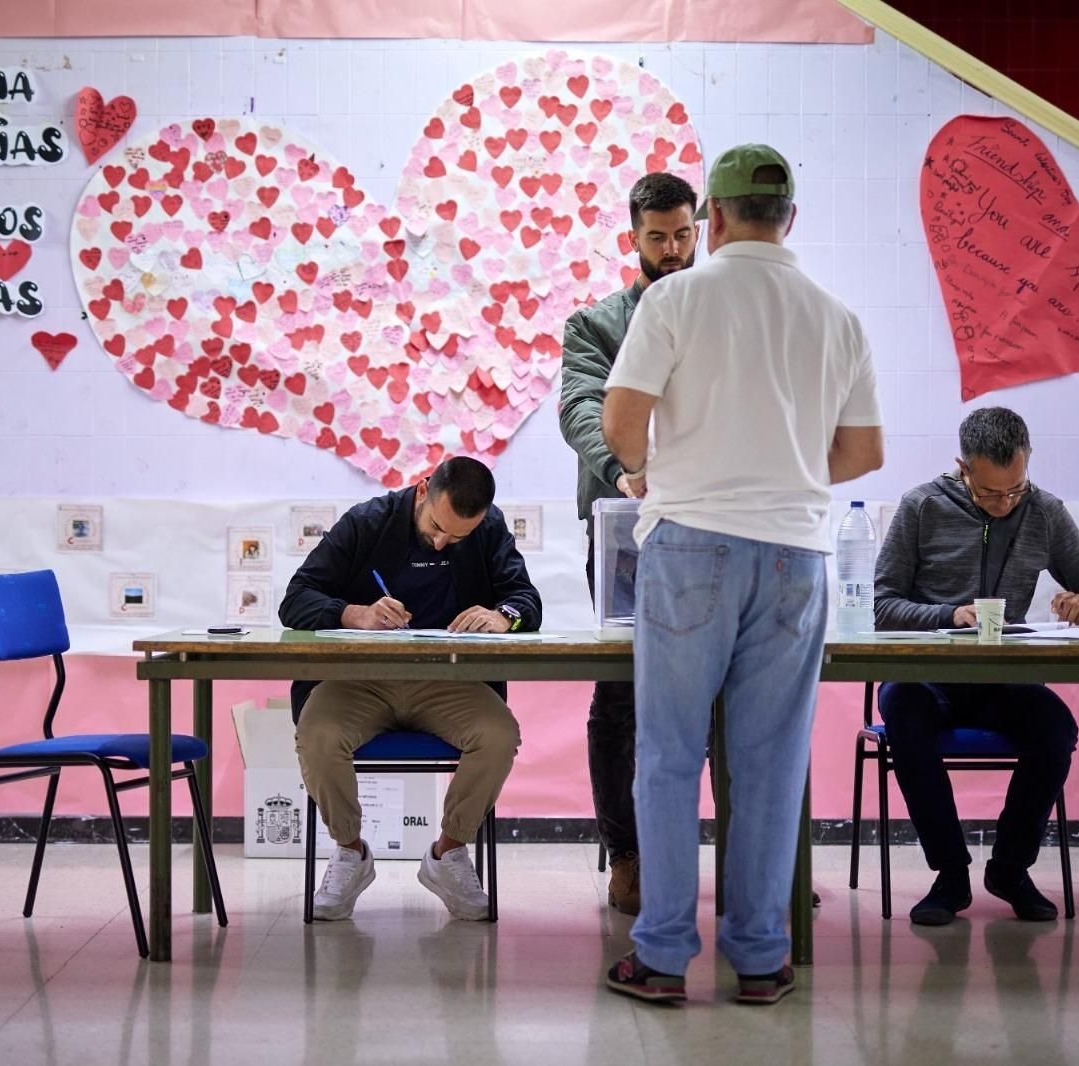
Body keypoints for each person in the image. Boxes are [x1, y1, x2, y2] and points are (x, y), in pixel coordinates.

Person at [600, 144, 884, 1005]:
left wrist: (665, 469)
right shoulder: (837, 316)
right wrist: (780, 474)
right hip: (799, 554)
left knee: (670, 755)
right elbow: (864, 453)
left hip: (690, 544)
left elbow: (620, 423)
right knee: (768, 761)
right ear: (790, 218)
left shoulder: (676, 297)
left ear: (712, 219)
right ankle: (761, 958)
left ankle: (660, 956)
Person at [874, 406, 1079, 926]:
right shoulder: (920, 507)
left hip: (1003, 678)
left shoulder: (1045, 511)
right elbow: (882, 604)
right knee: (902, 708)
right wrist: (948, 615)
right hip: (930, 678)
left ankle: (1009, 868)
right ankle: (950, 873)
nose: (1005, 504)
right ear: (963, 469)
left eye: (1015, 490)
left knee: (1055, 726)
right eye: (990, 493)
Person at [278, 456, 542, 921]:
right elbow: (296, 598)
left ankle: (448, 853)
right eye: (436, 527)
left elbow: (525, 600)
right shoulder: (367, 521)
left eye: (458, 537)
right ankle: (349, 852)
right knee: (318, 734)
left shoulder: (490, 528)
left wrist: (504, 617)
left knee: (498, 734)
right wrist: (351, 613)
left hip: (448, 680)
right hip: (359, 678)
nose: (443, 541)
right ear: (422, 492)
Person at [558, 171, 699, 915]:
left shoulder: (724, 311)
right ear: (633, 238)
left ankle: (747, 854)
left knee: (730, 698)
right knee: (622, 697)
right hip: (625, 535)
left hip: (714, 527)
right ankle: (628, 856)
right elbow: (581, 407)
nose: (672, 250)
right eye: (657, 238)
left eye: (682, 235)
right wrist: (624, 467)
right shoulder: (597, 324)